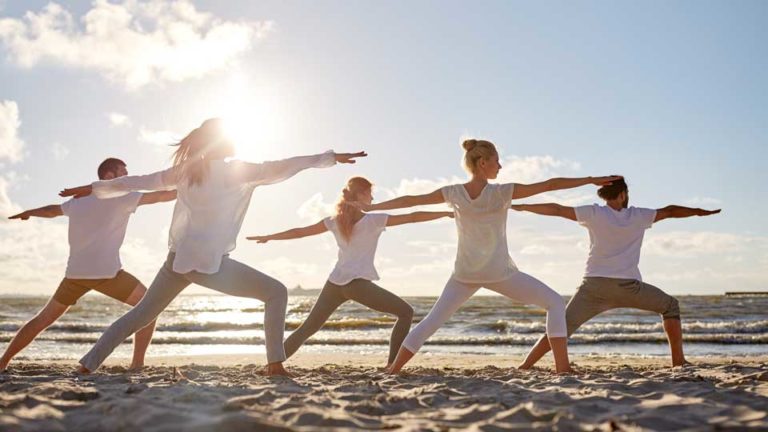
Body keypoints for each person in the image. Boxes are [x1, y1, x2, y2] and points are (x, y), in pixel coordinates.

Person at [60, 118, 366, 376]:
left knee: (139, 316)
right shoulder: (237, 170)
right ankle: (275, 365)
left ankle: (87, 366)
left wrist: (92, 188)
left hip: (177, 260)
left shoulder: (187, 171)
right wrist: (328, 158)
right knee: (277, 292)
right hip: (206, 264)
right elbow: (284, 165)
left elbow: (136, 181)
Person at [352, 139, 621, 374]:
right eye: (496, 161)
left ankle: (394, 369)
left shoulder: (453, 192)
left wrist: (374, 207)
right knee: (553, 302)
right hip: (498, 272)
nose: (500, 167)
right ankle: (562, 368)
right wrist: (588, 180)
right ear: (482, 163)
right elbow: (549, 184)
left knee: (432, 321)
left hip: (465, 273)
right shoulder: (501, 192)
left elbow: (411, 200)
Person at [514, 178, 721, 369]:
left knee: (562, 327)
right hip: (628, 288)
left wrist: (522, 207)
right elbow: (670, 211)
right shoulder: (639, 215)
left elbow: (557, 209)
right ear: (623, 194)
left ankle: (526, 365)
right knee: (670, 306)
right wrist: (698, 211)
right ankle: (678, 361)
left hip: (594, 288)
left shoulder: (594, 213)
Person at [248, 176, 454, 367]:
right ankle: (392, 367)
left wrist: (270, 236)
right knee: (405, 313)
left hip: (334, 284)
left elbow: (300, 232)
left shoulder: (334, 221)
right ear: (361, 195)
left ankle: (272, 366)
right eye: (370, 193)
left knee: (306, 330)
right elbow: (413, 217)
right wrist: (445, 213)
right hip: (357, 285)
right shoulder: (373, 220)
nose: (372, 198)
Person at [1, 158, 176, 371]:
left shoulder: (78, 201)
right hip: (108, 275)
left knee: (43, 319)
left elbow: (50, 210)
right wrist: (192, 187)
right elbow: (161, 196)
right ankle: (137, 364)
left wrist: (28, 212)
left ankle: (3, 362)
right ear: (109, 176)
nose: (128, 179)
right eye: (124, 173)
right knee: (150, 307)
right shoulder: (124, 198)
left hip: (75, 275)